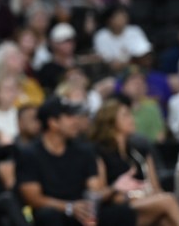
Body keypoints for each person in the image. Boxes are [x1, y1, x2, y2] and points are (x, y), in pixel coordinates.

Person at [17, 96, 137, 226]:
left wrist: (114, 188)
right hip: (57, 212)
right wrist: (69, 207)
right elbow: (34, 199)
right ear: (53, 123)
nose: (76, 121)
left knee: (123, 213)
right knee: (48, 215)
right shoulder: (30, 154)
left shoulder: (84, 150)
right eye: (69, 116)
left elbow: (94, 191)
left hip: (83, 209)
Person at [90, 97, 179, 226]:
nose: (132, 119)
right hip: (115, 209)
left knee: (165, 219)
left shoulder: (140, 150)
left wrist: (145, 194)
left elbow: (156, 188)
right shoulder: (98, 152)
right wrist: (117, 188)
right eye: (126, 116)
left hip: (144, 202)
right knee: (168, 200)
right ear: (110, 121)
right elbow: (98, 195)